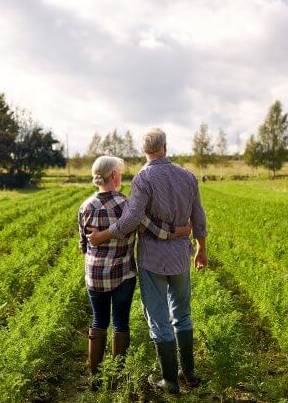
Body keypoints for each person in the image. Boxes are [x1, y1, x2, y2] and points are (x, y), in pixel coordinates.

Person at [87, 129, 208, 394]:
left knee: (159, 318)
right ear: (165, 147)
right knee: (183, 314)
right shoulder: (188, 177)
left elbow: (131, 220)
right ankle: (188, 372)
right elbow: (198, 217)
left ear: (144, 150)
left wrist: (102, 236)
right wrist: (201, 249)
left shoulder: (143, 178)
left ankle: (171, 381)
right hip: (179, 257)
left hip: (153, 259)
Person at [78, 155, 191, 383]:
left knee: (98, 321)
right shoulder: (127, 205)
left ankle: (95, 376)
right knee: (120, 322)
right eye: (119, 172)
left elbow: (83, 245)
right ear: (114, 176)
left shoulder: (85, 206)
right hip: (123, 274)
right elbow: (154, 228)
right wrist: (179, 231)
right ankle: (116, 375)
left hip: (95, 275)